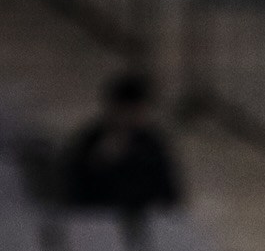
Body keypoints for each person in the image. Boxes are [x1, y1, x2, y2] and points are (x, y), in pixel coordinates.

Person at [63, 73, 182, 217]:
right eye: (125, 111)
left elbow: (168, 192)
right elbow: (76, 190)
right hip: (99, 219)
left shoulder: (150, 144)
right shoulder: (92, 142)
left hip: (145, 220)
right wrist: (101, 163)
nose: (129, 118)